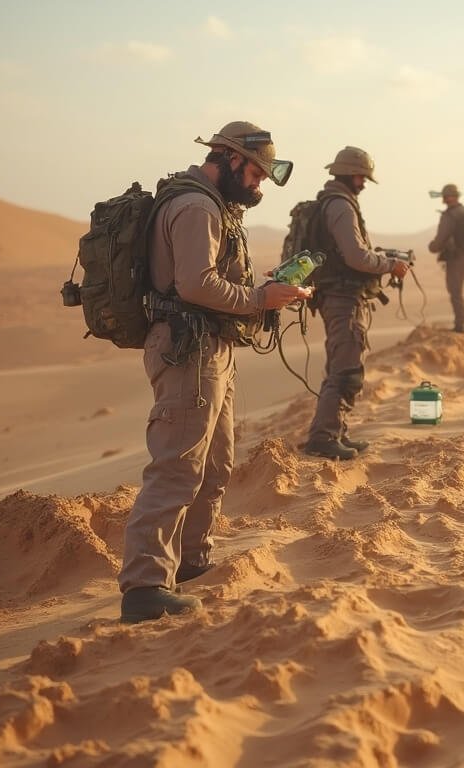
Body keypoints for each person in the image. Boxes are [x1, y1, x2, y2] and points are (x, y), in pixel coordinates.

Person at [118, 121, 312, 624]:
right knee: (177, 465)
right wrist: (258, 299)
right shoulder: (197, 206)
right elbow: (195, 284)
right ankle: (144, 587)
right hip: (188, 350)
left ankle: (189, 564)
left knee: (216, 463)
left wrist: (268, 292)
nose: (259, 184)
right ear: (227, 158)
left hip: (210, 348)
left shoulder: (211, 204)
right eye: (254, 172)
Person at [302, 146, 409, 460]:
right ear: (352, 174)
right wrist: (390, 264)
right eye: (362, 177)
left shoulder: (332, 203)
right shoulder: (341, 206)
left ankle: (335, 431)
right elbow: (357, 257)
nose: (364, 184)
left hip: (338, 296)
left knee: (340, 366)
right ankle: (323, 438)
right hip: (343, 298)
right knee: (346, 371)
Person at [428, 183, 464, 333]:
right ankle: (461, 322)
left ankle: (461, 325)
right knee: (456, 291)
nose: (445, 199)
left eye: (446, 196)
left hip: (456, 258)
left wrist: (432, 247)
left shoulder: (451, 215)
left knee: (455, 291)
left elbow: (441, 238)